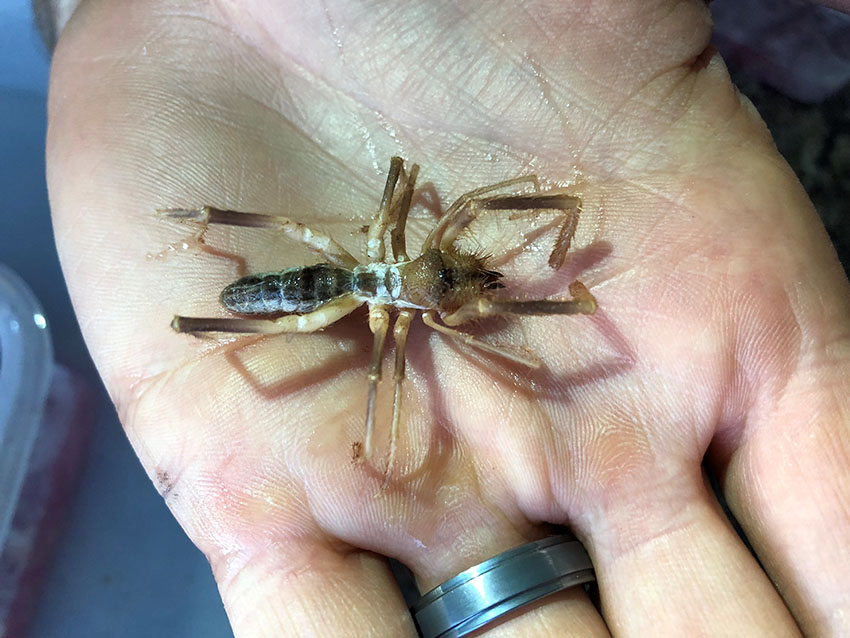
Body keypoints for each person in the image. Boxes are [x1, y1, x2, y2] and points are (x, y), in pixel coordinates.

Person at [46, 1, 850, 635]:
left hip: (358, 273)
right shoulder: (415, 316)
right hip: (337, 287)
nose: (477, 288)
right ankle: (203, 301)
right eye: (468, 287)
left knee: (312, 268)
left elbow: (440, 210)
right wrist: (383, 437)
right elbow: (397, 376)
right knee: (291, 312)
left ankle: (204, 266)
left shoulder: (425, 280)